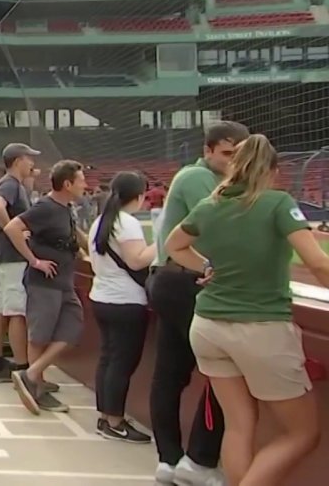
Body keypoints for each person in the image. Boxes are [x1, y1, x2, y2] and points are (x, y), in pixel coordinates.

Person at [166, 134, 329, 486]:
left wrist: (204, 267)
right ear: (273, 170)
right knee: (302, 433)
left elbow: (173, 244)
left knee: (239, 425)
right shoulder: (277, 203)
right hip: (260, 328)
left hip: (208, 325)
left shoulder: (210, 204)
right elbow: (317, 263)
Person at [148, 120, 249, 486]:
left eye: (239, 154)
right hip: (183, 281)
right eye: (226, 154)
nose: (233, 161)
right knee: (222, 369)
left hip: (176, 279)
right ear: (207, 151)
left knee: (172, 373)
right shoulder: (197, 178)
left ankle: (172, 460)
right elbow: (222, 226)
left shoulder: (206, 178)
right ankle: (199, 460)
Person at [5, 159, 88, 414]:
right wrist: (34, 261)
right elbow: (12, 227)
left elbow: (77, 237)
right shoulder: (46, 207)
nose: (85, 185)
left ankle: (31, 374)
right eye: (81, 180)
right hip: (45, 282)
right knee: (39, 335)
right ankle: (35, 387)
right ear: (67, 184)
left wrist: (93, 254)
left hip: (63, 281)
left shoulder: (65, 208)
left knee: (72, 327)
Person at [88, 171, 156, 443]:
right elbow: (137, 261)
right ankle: (114, 420)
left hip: (103, 297)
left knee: (108, 359)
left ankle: (107, 416)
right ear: (139, 196)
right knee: (121, 362)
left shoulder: (101, 221)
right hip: (125, 301)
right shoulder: (126, 222)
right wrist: (161, 243)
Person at [0, 143, 42, 384]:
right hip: (14, 257)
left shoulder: (15, 184)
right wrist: (12, 230)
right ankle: (22, 368)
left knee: (0, 308)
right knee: (17, 311)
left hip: (6, 258)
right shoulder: (9, 183)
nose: (33, 164)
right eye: (29, 159)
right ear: (18, 160)